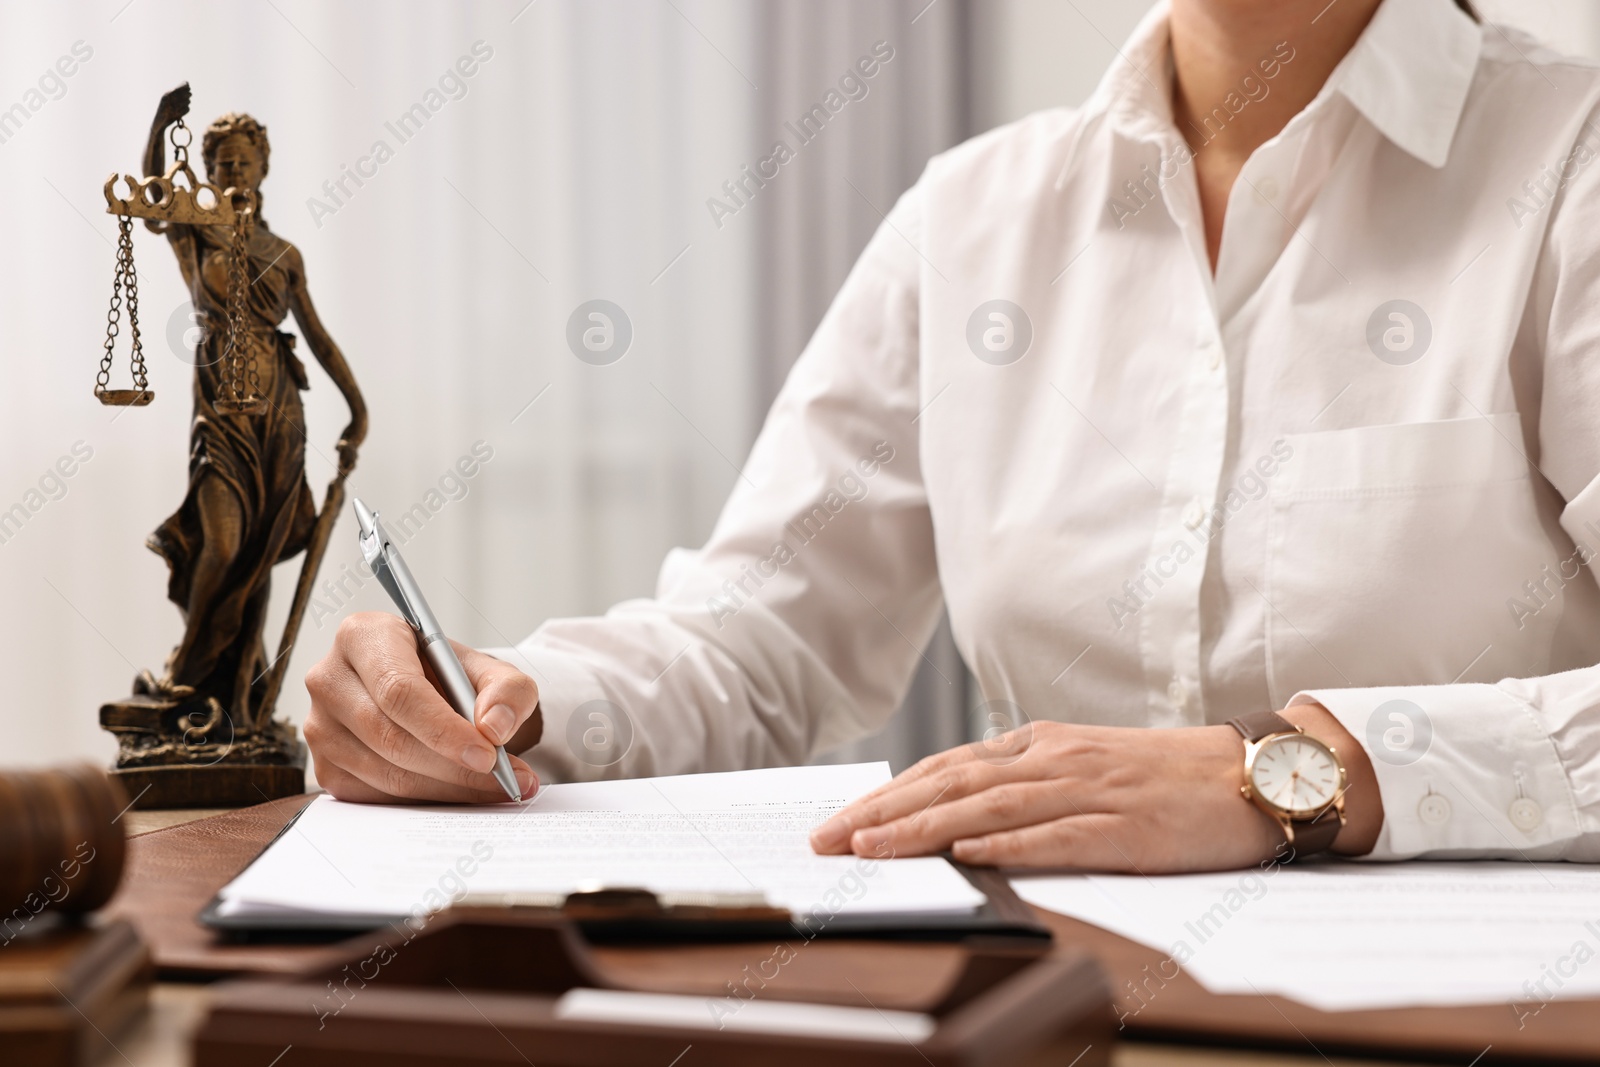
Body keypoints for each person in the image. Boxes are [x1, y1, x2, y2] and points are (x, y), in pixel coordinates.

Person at [305, 0, 1600, 871]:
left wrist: (1302, 771)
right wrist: (509, 704)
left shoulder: (1570, 164)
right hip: (1045, 992)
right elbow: (764, 640)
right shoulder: (976, 214)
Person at [144, 90, 367, 731]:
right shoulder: (196, 234)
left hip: (280, 418)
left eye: (243, 162)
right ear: (208, 172)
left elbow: (319, 338)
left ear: (262, 169)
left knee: (258, 556)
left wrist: (358, 408)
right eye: (221, 165)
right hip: (221, 409)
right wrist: (162, 125)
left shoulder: (285, 255)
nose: (233, 173)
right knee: (221, 544)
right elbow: (155, 196)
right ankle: (185, 673)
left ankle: (238, 696)